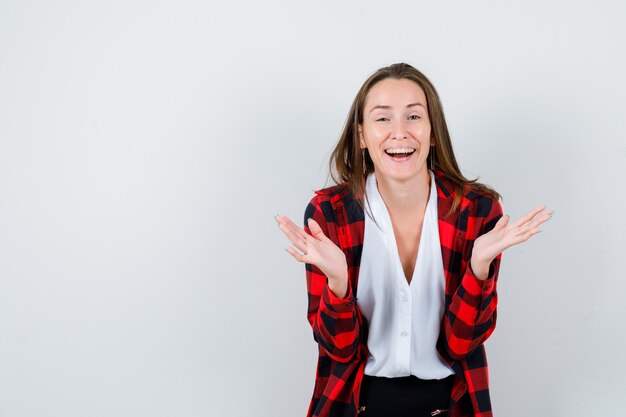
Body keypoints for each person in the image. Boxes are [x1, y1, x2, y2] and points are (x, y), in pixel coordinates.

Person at [276, 63, 552, 417]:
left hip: (449, 404)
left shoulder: (477, 211)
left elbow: (461, 344)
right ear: (361, 135)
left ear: (433, 132)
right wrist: (339, 283)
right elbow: (339, 348)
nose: (400, 132)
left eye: (414, 117)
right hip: (356, 403)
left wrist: (478, 268)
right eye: (383, 119)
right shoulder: (329, 215)